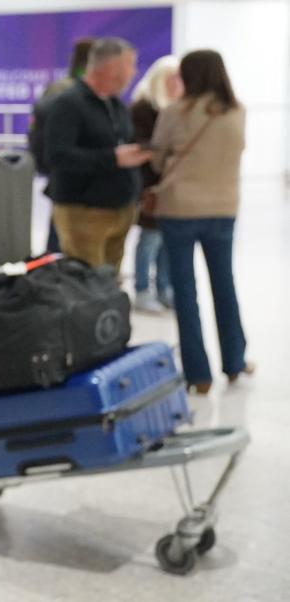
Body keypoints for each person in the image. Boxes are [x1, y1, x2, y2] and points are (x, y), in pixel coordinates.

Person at [150, 50, 251, 395]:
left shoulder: (174, 113)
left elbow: (158, 158)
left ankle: (199, 374)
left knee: (185, 290)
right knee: (225, 284)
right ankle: (235, 362)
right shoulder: (238, 112)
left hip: (179, 209)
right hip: (224, 208)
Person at [44, 37, 150, 270]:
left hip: (120, 209)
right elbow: (58, 155)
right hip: (84, 212)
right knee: (87, 285)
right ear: (111, 68)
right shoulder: (68, 104)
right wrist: (113, 158)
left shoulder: (116, 105)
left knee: (108, 285)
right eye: (130, 65)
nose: (134, 72)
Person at [29, 37, 94, 253]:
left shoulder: (60, 89)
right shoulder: (70, 93)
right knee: (62, 234)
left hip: (65, 172)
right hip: (68, 173)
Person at [129, 56, 182, 312]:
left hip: (173, 186)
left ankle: (164, 288)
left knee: (167, 241)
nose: (178, 84)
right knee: (150, 239)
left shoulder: (177, 109)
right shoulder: (144, 108)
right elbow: (142, 146)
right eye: (173, 78)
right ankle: (141, 289)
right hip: (150, 185)